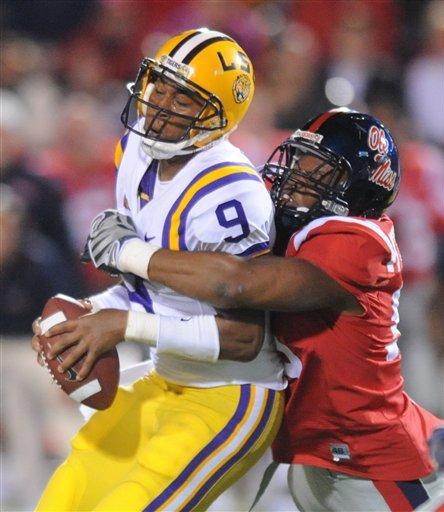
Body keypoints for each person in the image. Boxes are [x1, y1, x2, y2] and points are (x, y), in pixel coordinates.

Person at [79, 108, 444, 511]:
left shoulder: (356, 241)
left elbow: (236, 283)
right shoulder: (299, 228)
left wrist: (129, 250)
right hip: (314, 452)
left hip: (373, 457)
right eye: (296, 161)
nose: (292, 179)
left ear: (360, 188)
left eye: (316, 171)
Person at [31, 28, 286, 511]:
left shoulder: (230, 194)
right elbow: (147, 289)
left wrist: (124, 324)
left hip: (228, 393)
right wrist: (91, 312)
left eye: (184, 99)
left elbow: (242, 337)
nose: (161, 104)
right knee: (63, 501)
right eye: (159, 86)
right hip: (162, 376)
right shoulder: (133, 151)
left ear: (218, 116)